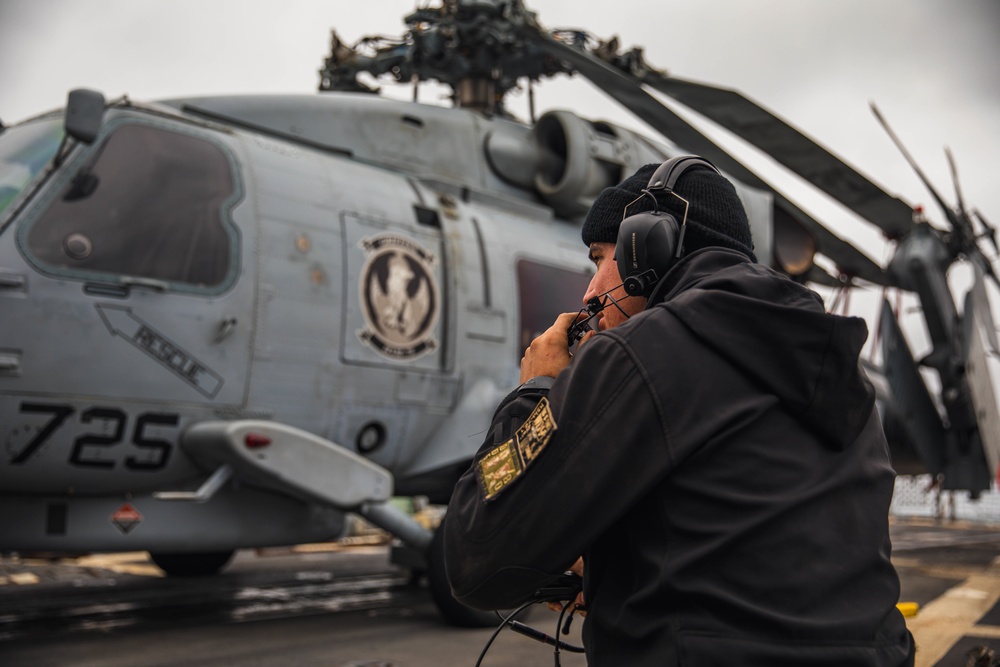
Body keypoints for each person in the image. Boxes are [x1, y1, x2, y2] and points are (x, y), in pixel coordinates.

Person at [441, 156, 915, 665]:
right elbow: (757, 555)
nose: (590, 292)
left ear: (648, 247)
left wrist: (534, 390)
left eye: (600, 258)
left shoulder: (641, 353)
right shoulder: (840, 371)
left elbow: (478, 558)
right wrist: (616, 568)